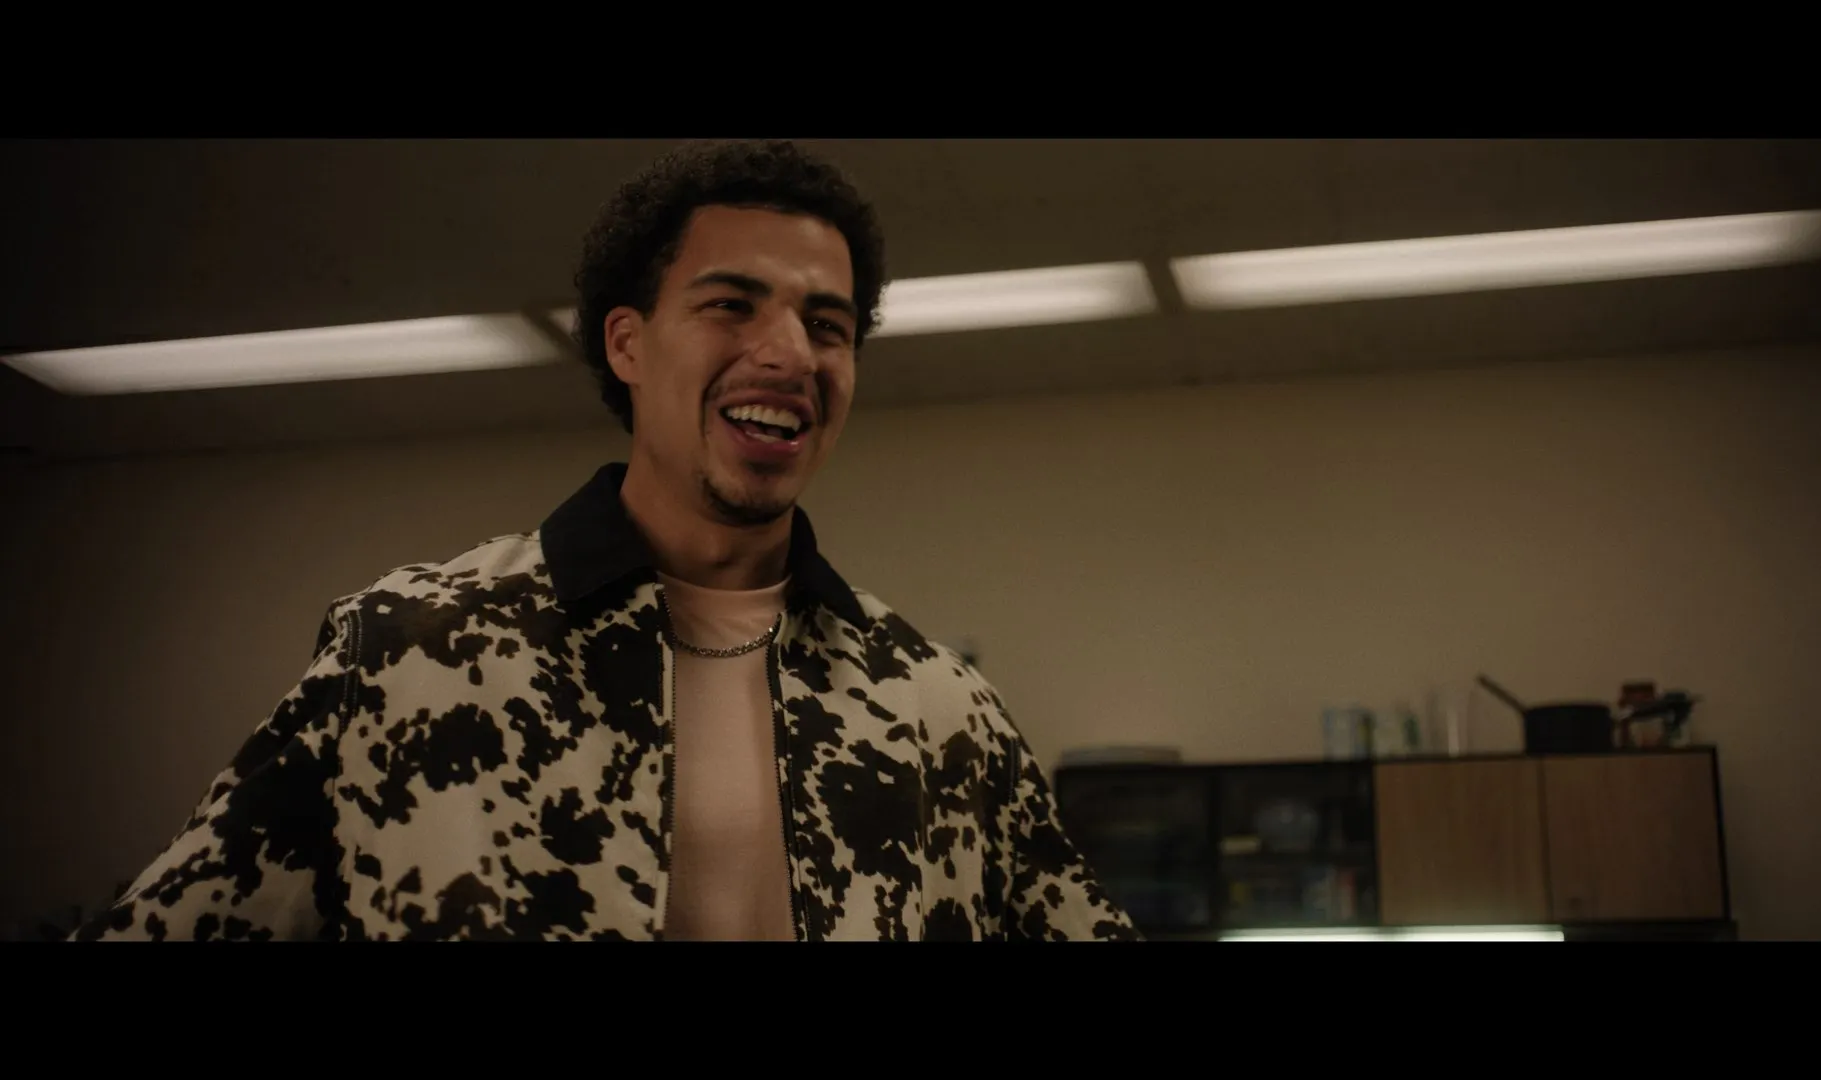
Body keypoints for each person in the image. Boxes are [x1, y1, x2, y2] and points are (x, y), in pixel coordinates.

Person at [74, 140, 1140, 941]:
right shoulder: (411, 655)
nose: (790, 352)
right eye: (732, 305)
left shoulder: (939, 711)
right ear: (627, 343)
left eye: (828, 325)